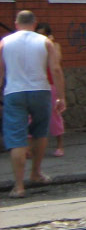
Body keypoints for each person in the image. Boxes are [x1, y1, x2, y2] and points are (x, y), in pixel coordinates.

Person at [1, 10, 65, 198]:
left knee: (17, 138)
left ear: (16, 23)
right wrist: (61, 97)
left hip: (14, 93)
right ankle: (36, 173)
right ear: (35, 24)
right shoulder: (45, 42)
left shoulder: (5, 43)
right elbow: (56, 69)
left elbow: (0, 72)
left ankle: (19, 186)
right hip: (40, 91)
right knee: (39, 132)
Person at [35, 22, 65, 157]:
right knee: (31, 116)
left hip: (50, 84)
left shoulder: (54, 46)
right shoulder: (32, 47)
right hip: (36, 84)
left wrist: (50, 45)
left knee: (54, 114)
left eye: (43, 35)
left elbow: (57, 61)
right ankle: (31, 147)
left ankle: (59, 145)